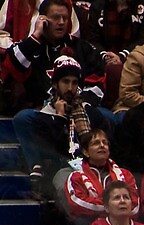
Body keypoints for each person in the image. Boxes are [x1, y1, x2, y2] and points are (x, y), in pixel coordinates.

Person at [13, 54, 108, 193]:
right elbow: (55, 149)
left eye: (74, 83)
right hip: (60, 169)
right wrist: (60, 118)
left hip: (91, 167)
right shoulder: (44, 116)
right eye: (65, 81)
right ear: (55, 84)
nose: (70, 88)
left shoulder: (89, 112)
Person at [1, 0, 105, 109]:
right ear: (43, 19)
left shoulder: (82, 48)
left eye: (65, 18)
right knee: (24, 118)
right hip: (40, 111)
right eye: (56, 18)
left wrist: (77, 104)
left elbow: (98, 82)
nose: (61, 22)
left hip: (79, 108)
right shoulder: (31, 46)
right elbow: (13, 66)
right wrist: (36, 35)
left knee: (105, 116)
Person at [64, 128, 138, 225]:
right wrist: (112, 207)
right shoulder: (76, 177)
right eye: (96, 143)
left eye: (105, 143)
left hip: (123, 224)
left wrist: (111, 209)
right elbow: (77, 205)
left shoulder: (125, 175)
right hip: (89, 224)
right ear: (86, 152)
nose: (102, 146)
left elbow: (135, 206)